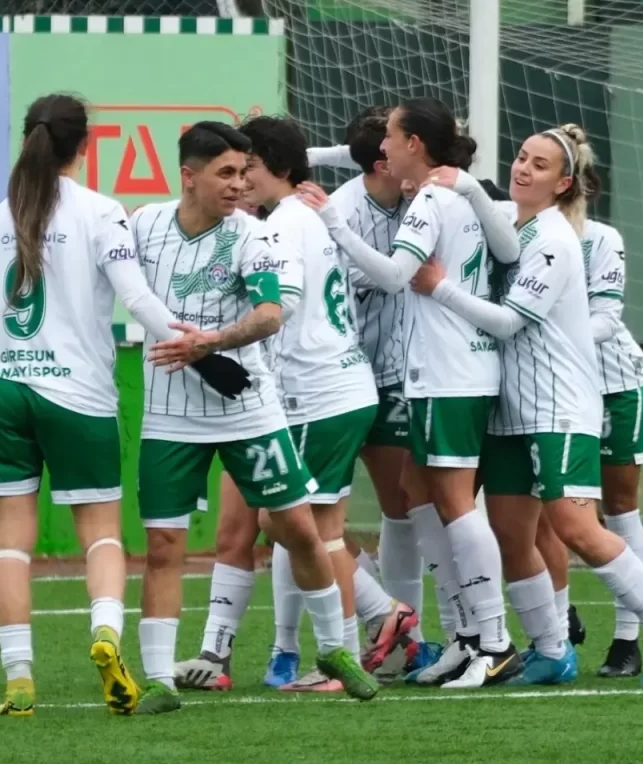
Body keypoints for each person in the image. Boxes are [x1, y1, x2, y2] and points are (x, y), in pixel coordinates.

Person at [0, 93, 225, 717]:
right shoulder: (100, 212)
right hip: (76, 395)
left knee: (10, 547)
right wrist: (195, 344)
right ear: (84, 145)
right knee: (101, 535)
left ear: (29, 138)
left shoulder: (1, 214)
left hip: (1, 391)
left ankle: (19, 678)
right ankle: (106, 634)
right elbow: (137, 299)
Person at [408, 124, 643, 687]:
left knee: (575, 526)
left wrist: (438, 286)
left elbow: (510, 322)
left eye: (539, 165)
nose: (522, 168)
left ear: (563, 183)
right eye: (520, 157)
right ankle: (552, 648)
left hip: (559, 402)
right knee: (512, 532)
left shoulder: (557, 238)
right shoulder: (510, 224)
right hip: (508, 403)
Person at [132, 120, 378, 713]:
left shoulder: (255, 235)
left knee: (297, 528)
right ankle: (160, 679)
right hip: (169, 413)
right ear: (188, 177)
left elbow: (271, 313)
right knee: (164, 544)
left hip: (249, 410)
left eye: (245, 172)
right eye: (226, 173)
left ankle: (335, 649)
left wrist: (212, 341)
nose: (239, 184)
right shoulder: (144, 226)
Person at [299, 96, 525, 689]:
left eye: (392, 137)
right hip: (453, 367)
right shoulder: (458, 195)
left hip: (448, 370)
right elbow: (507, 249)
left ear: (414, 145)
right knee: (415, 490)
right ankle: (464, 635)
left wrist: (335, 225)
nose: (385, 147)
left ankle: (495, 642)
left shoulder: (429, 198)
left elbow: (397, 275)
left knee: (454, 503)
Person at [308, 107, 446, 678]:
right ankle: (374, 619)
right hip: (335, 377)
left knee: (403, 506)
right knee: (302, 517)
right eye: (388, 142)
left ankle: (406, 640)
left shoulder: (426, 200)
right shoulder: (337, 210)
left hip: (396, 375)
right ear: (383, 161)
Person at [534, 213, 643, 677]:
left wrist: (541, 326)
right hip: (550, 391)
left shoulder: (601, 238)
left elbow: (606, 319)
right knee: (543, 510)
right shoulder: (517, 233)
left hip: (611, 384)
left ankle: (628, 639)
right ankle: (558, 622)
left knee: (619, 507)